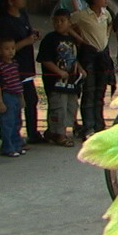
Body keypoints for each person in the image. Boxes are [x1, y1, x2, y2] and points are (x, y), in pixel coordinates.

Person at [0, 0, 43, 143]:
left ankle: (32, 132)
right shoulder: (5, 22)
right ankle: (10, 137)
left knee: (31, 99)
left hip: (27, 63)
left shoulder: (22, 15)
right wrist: (26, 41)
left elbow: (27, 32)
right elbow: (7, 47)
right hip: (12, 67)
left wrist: (33, 35)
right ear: (10, 1)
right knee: (13, 102)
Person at [71, 0, 113, 138]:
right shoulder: (81, 15)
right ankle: (88, 127)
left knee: (100, 92)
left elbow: (109, 25)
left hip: (102, 56)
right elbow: (67, 24)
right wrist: (80, 40)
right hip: (89, 56)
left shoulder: (106, 14)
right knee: (89, 91)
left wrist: (106, 40)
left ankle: (99, 124)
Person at [37, 9, 83, 146]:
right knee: (59, 107)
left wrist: (80, 68)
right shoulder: (49, 39)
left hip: (71, 81)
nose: (59, 24)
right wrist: (58, 71)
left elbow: (74, 57)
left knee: (71, 106)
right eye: (56, 21)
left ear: (69, 22)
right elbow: (44, 59)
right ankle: (60, 135)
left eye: (63, 21)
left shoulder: (71, 39)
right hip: (55, 81)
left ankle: (53, 132)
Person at [0, 38, 25, 157]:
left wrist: (22, 98)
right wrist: (1, 102)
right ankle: (7, 147)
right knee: (7, 122)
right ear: (0, 51)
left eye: (12, 48)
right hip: (7, 96)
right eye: (7, 49)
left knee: (17, 122)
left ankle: (17, 145)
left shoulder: (15, 64)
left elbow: (19, 82)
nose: (10, 51)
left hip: (17, 95)